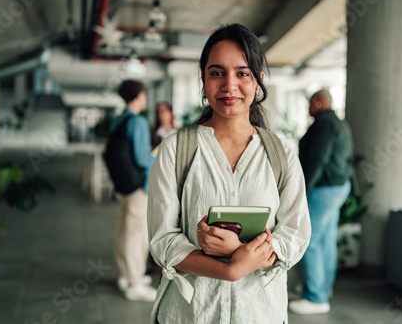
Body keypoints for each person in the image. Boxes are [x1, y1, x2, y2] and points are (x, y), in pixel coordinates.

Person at [147, 24, 311, 324]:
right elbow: (163, 240)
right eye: (216, 72)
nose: (229, 85)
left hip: (260, 314)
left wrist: (242, 252)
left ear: (259, 81)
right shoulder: (175, 150)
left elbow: (295, 234)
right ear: (203, 79)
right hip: (190, 314)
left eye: (242, 73)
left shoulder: (282, 154)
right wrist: (230, 269)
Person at [289, 89, 353, 315]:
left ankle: (315, 297)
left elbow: (316, 160)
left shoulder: (324, 124)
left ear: (319, 102)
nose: (308, 108)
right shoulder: (339, 123)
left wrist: (301, 193)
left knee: (308, 240)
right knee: (325, 240)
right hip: (338, 187)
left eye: (310, 103)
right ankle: (321, 289)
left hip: (324, 189)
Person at [109, 80, 157, 302]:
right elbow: (142, 158)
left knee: (124, 230)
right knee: (137, 235)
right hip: (139, 185)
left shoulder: (120, 120)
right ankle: (134, 282)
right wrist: (157, 157)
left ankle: (125, 275)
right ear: (138, 95)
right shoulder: (137, 122)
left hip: (125, 184)